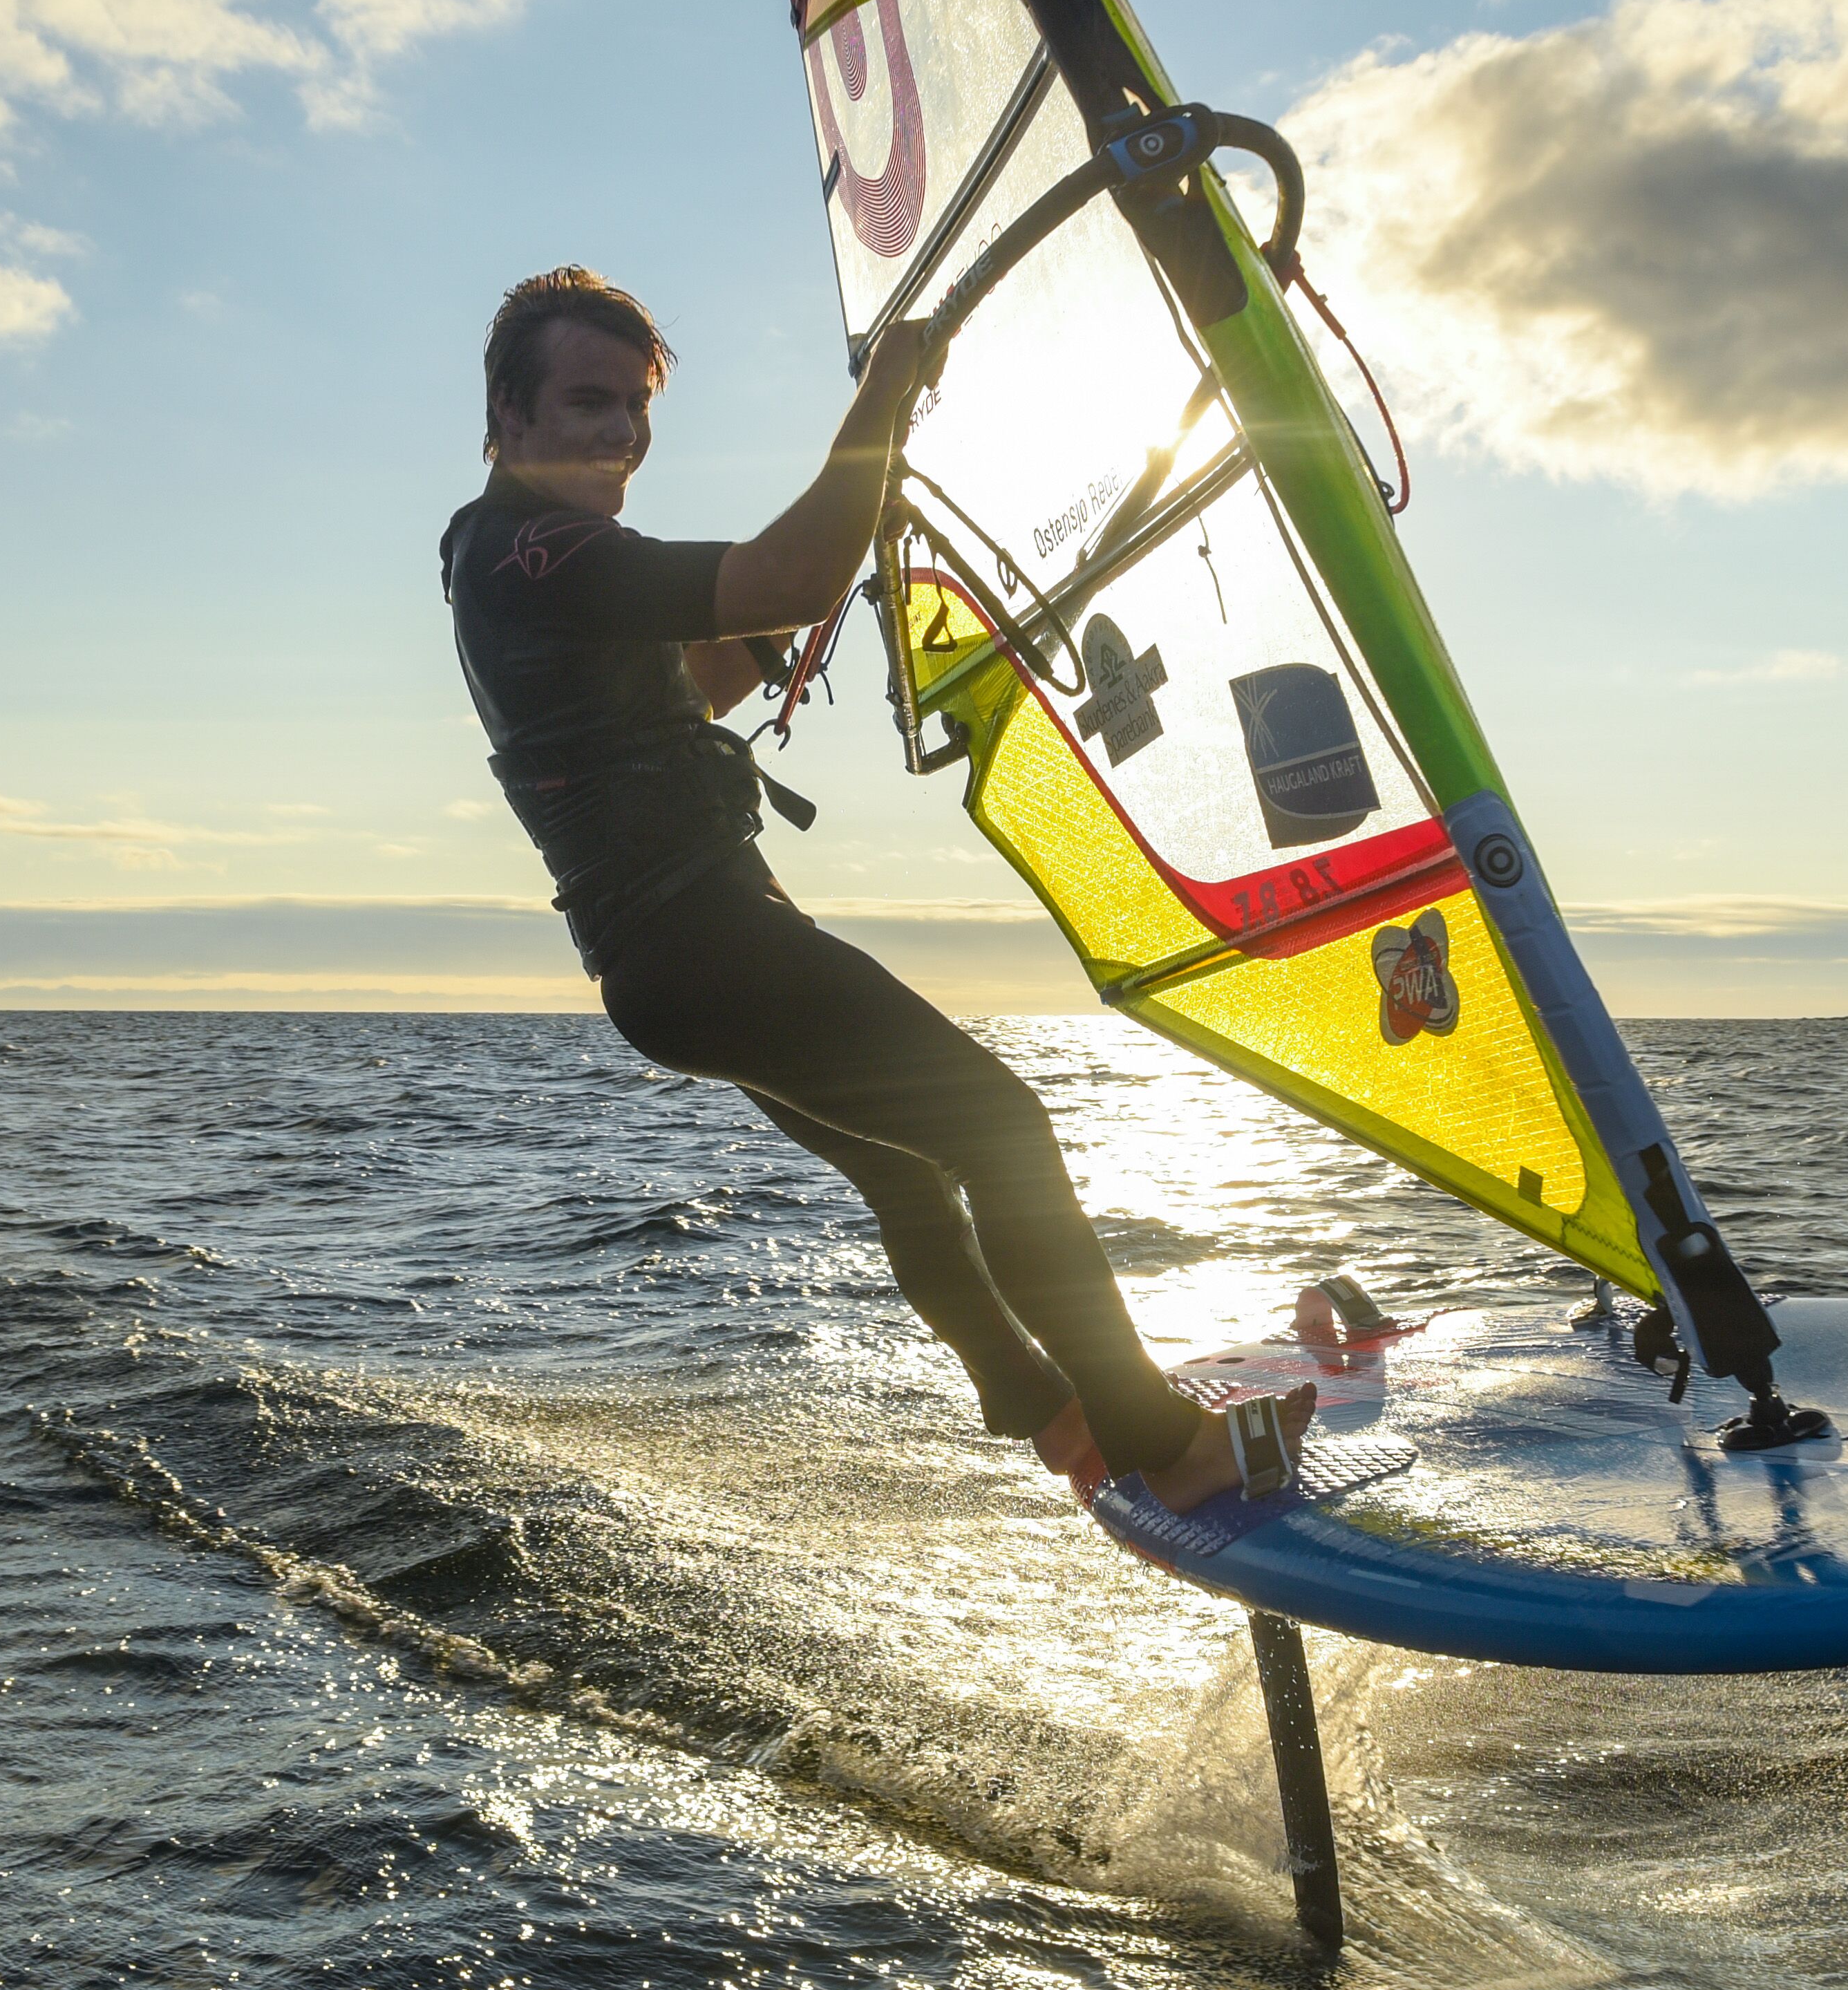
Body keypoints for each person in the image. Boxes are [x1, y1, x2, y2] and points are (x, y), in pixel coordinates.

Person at [442, 265, 1309, 1512]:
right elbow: (781, 573)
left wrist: (786, 615)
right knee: (1005, 1133)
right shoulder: (540, 550)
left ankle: (1042, 1406)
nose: (621, 434)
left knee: (906, 1173)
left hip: (671, 961)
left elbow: (694, 688)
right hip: (707, 941)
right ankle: (1158, 1440)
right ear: (510, 415)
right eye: (588, 403)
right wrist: (891, 396)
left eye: (635, 407)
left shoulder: (501, 556)